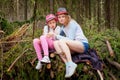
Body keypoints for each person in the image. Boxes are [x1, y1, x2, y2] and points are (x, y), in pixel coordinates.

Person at [53, 7, 89, 78]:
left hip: (82, 44)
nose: (61, 19)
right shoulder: (63, 27)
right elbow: (57, 38)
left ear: (67, 17)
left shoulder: (72, 23)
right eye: (59, 17)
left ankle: (71, 63)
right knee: (55, 43)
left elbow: (70, 39)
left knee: (61, 41)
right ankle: (67, 64)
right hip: (73, 46)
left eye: (63, 16)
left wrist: (56, 36)